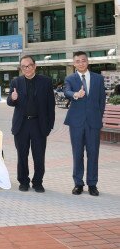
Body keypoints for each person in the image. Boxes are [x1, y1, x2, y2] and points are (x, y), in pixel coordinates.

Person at [7, 55, 55, 193]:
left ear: (35, 66)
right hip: (21, 125)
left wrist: (49, 126)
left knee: (39, 156)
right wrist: (12, 98)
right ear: (21, 68)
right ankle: (23, 181)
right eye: (23, 66)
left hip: (38, 125)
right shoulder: (16, 82)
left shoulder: (45, 82)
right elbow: (10, 102)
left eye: (29, 65)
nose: (26, 68)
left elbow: (50, 105)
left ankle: (38, 182)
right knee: (22, 155)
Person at [64, 51, 105, 196]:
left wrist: (98, 118)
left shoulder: (98, 79)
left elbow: (102, 101)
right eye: (78, 61)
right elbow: (66, 92)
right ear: (74, 63)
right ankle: (78, 184)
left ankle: (92, 184)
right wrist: (76, 94)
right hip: (76, 123)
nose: (81, 63)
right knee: (77, 154)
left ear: (88, 62)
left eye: (83, 60)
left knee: (93, 154)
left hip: (93, 123)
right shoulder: (70, 78)